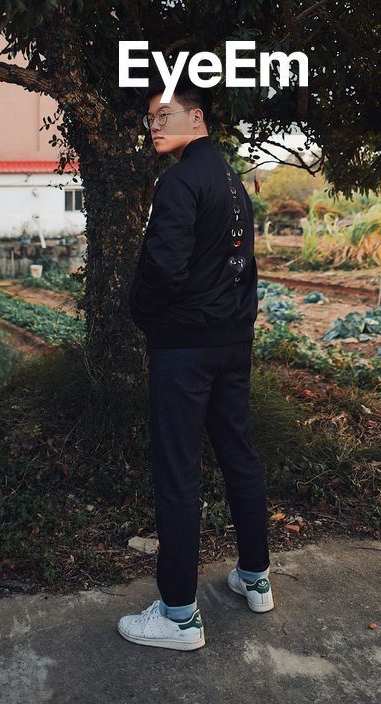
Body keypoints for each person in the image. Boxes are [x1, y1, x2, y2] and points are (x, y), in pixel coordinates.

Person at [117, 81, 273, 652]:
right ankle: (254, 579)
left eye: (165, 116)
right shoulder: (233, 182)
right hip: (232, 343)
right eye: (150, 119)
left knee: (178, 472)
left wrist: (141, 313)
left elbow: (164, 265)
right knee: (239, 455)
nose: (154, 127)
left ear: (197, 118)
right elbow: (245, 267)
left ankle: (180, 615)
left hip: (185, 347)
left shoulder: (180, 180)